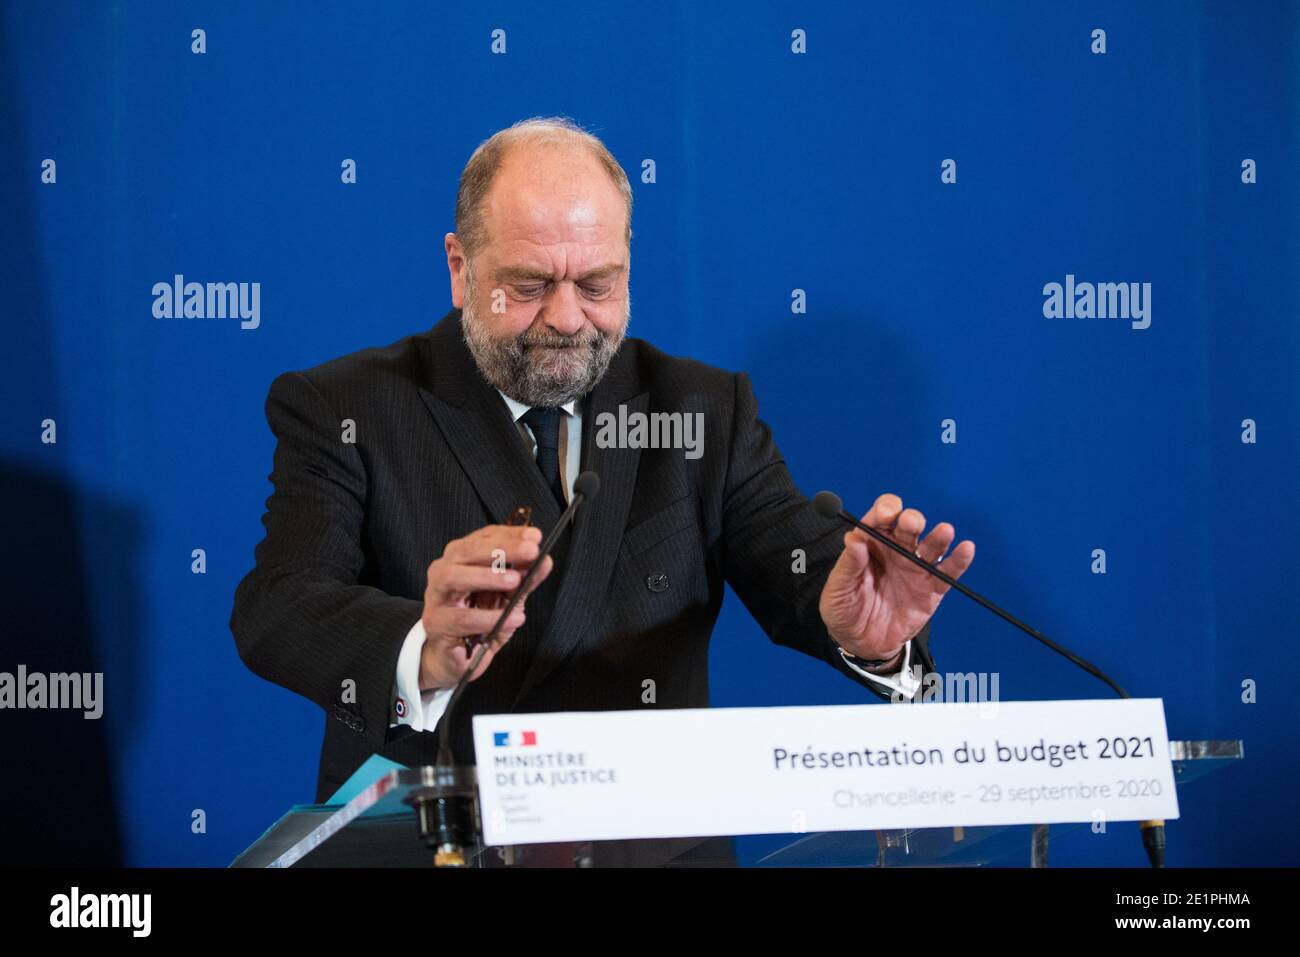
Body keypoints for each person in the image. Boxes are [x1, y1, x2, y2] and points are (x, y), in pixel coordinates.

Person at [230, 116, 975, 866]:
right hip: (437, 844)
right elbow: (278, 606)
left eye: (596, 284)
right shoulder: (349, 406)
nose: (564, 318)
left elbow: (801, 563)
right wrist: (422, 645)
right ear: (460, 269)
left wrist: (869, 636)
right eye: (527, 286)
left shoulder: (701, 410)